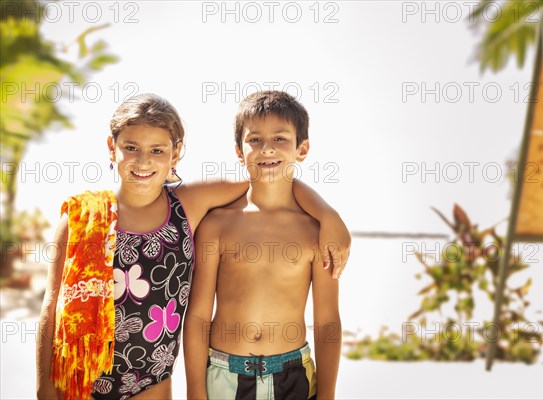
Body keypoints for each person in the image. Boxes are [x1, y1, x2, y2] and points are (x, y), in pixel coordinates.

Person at [35, 93, 350, 400]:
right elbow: (51, 308)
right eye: (131, 147)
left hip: (156, 383)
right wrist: (44, 389)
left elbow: (269, 179)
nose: (143, 160)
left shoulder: (185, 207)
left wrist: (328, 214)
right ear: (111, 147)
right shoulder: (84, 218)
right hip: (82, 377)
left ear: (175, 154)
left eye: (157, 150)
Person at [184, 91, 342, 399]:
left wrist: (328, 394)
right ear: (239, 151)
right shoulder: (217, 224)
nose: (267, 149)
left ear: (302, 148)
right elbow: (199, 315)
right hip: (224, 375)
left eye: (280, 139)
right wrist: (194, 392)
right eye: (255, 140)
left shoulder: (316, 231)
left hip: (294, 374)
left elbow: (326, 321)